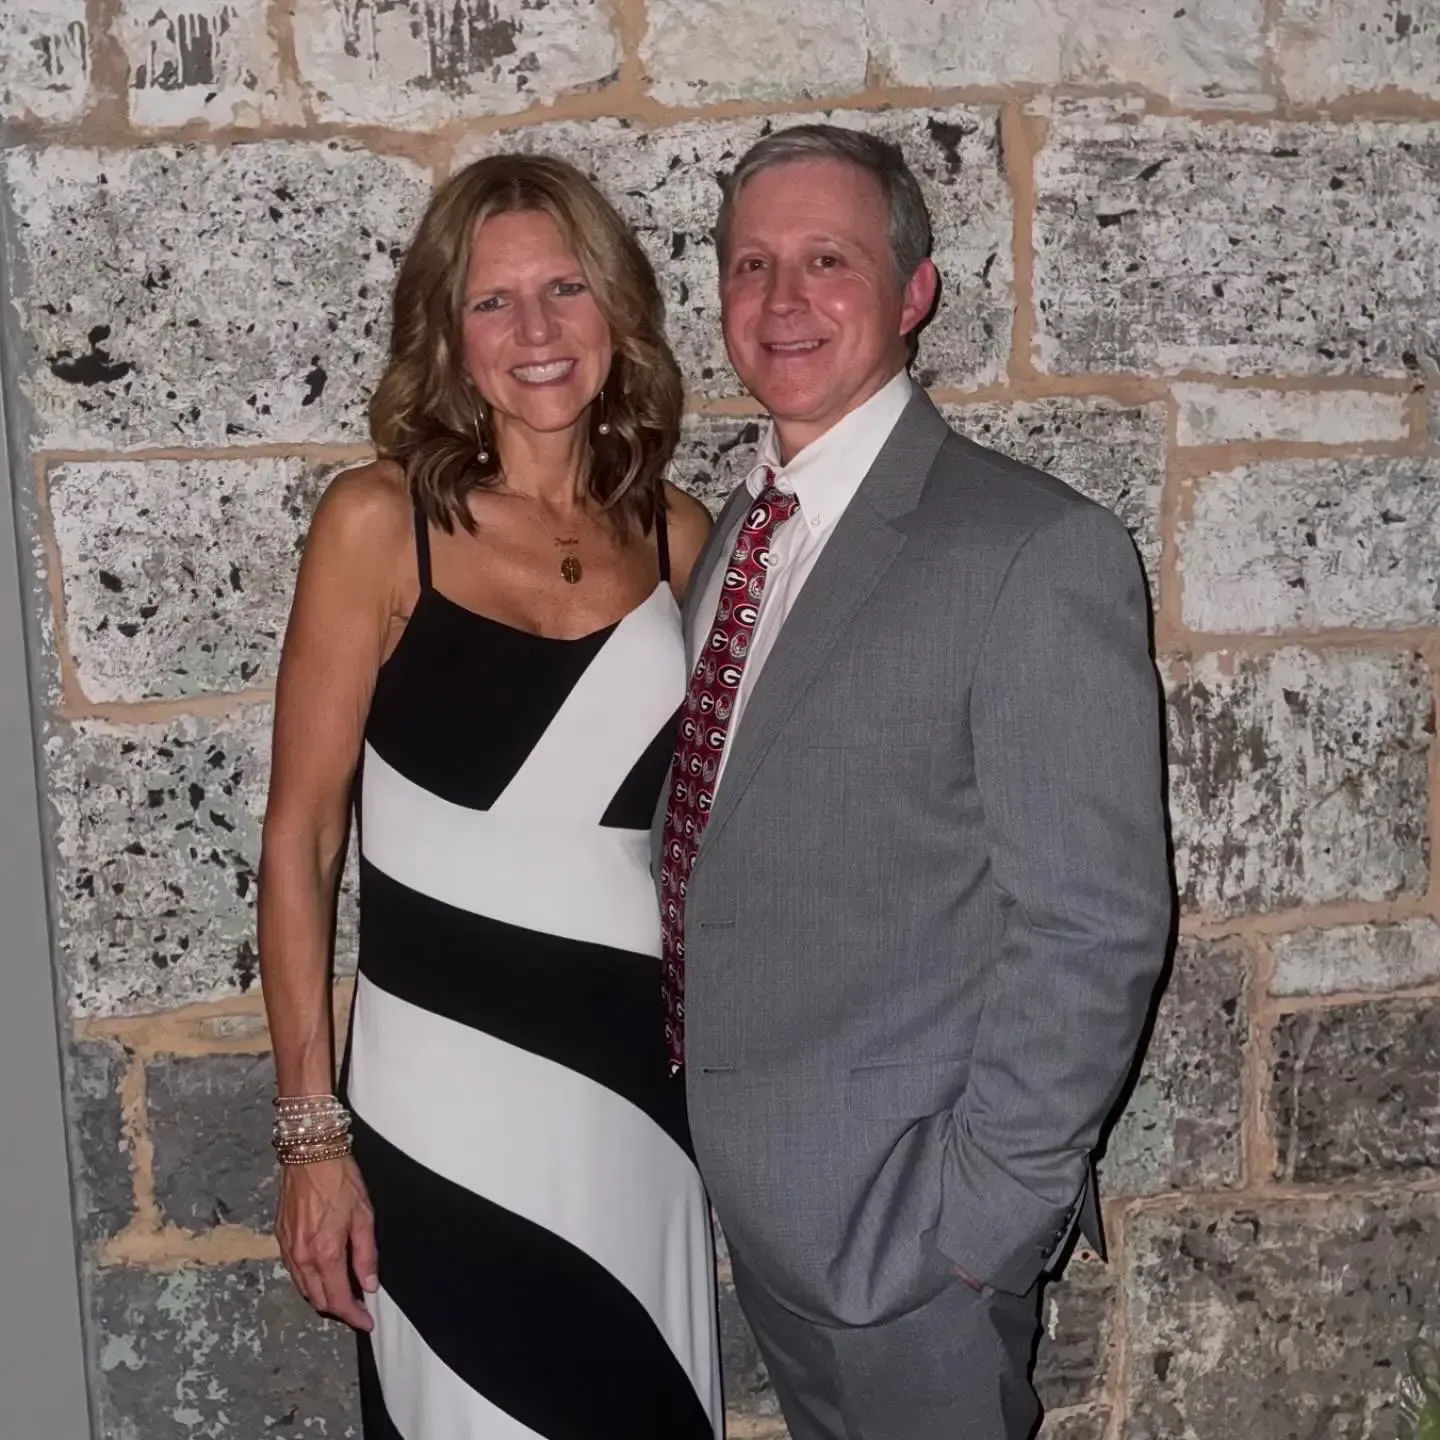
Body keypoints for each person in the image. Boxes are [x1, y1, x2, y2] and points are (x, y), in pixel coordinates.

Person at [657, 124, 1172, 1440]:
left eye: (828, 259)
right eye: (752, 264)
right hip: (765, 1215)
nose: (783, 300)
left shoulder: (1030, 551)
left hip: (911, 1248)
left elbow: (1095, 923)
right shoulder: (736, 535)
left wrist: (976, 1218)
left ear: (913, 291)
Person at [258, 153, 719, 1439]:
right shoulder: (376, 522)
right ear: (448, 339)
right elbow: (299, 843)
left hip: (637, 1111)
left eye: (564, 287)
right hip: (439, 1114)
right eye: (492, 301)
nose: (535, 332)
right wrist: (309, 1133)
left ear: (616, 310)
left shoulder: (689, 542)